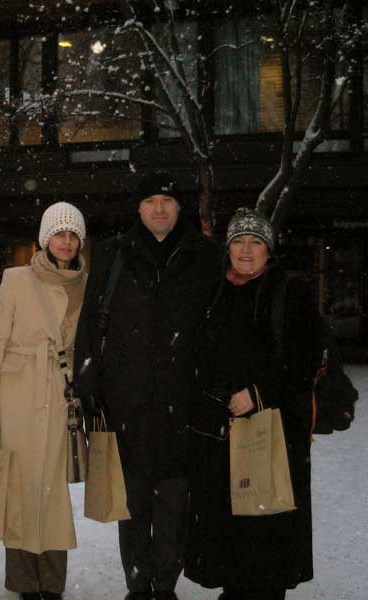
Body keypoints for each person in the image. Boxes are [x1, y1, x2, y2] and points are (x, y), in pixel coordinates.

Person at [73, 172, 222, 600]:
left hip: (184, 402)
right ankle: (138, 585)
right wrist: (88, 383)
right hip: (126, 402)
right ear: (138, 208)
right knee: (133, 503)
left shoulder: (205, 257)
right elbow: (90, 322)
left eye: (167, 201)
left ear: (179, 207)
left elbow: (220, 327)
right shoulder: (113, 254)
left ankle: (166, 584)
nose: (159, 209)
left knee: (175, 503)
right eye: (151, 201)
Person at [183, 208, 323, 600]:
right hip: (220, 433)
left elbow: (306, 358)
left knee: (267, 528)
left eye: (255, 242)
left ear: (268, 249)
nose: (246, 250)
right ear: (228, 248)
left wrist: (258, 394)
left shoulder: (289, 293)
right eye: (239, 241)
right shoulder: (215, 292)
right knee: (228, 528)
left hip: (273, 431)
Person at [0, 202, 88, 600]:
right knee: (20, 489)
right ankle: (24, 581)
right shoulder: (17, 279)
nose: (66, 241)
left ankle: (51, 582)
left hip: (59, 395)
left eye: (73, 235)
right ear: (45, 239)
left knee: (53, 493)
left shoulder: (85, 283)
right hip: (18, 394)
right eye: (59, 233)